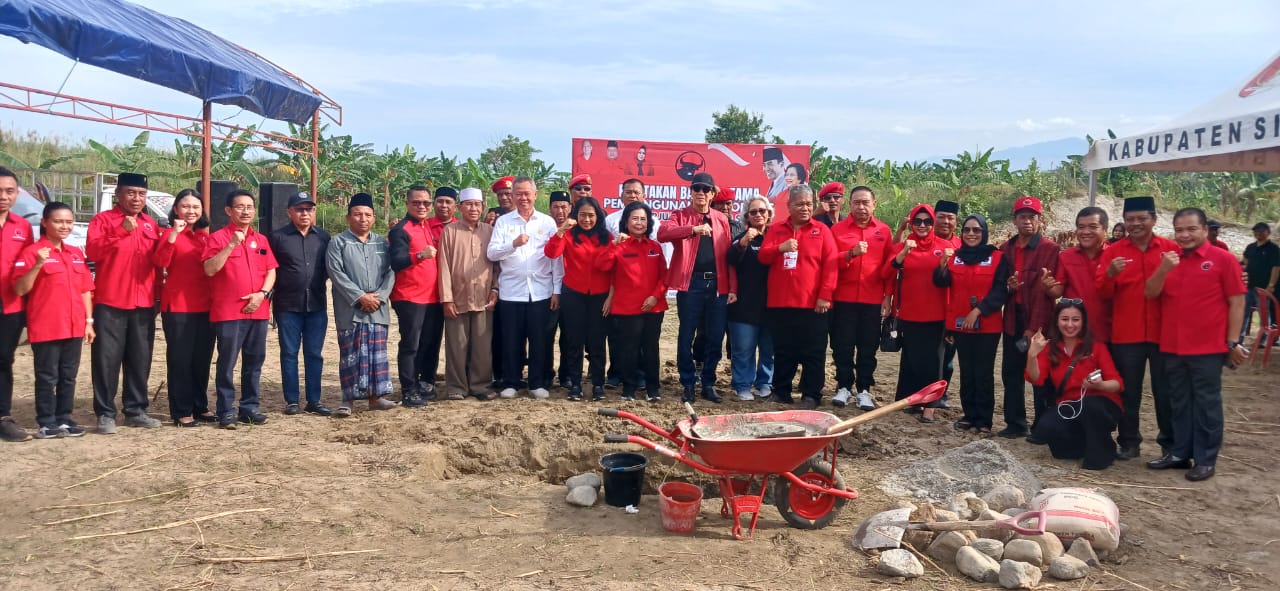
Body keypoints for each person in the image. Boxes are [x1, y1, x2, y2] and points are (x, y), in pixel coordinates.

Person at [1145, 208, 1249, 481]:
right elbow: (1150, 292)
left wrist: (1232, 342)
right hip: (1172, 346)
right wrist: (1163, 269)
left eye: (1191, 229)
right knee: (1178, 402)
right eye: (1179, 230)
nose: (1185, 235)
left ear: (1205, 230)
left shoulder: (1223, 259)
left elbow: (1237, 302)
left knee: (1206, 403)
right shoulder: (1169, 259)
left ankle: (1205, 459)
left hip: (1208, 348)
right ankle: (1180, 453)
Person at [1096, 196, 1179, 459]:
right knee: (1128, 392)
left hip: (1163, 334)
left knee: (1165, 392)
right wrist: (1110, 274)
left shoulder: (1170, 250)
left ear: (1154, 219)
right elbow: (1102, 293)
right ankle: (1129, 442)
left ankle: (1170, 444)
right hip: (1126, 335)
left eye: (1142, 218)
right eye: (1130, 219)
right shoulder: (1113, 252)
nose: (1135, 224)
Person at [87, 172, 163, 433]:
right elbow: (93, 252)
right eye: (131, 193)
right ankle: (105, 413)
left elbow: (157, 264)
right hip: (111, 301)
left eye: (141, 194)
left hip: (143, 303)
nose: (136, 198)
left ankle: (136, 410)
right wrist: (120, 231)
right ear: (118, 194)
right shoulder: (103, 220)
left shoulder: (150, 224)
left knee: (140, 359)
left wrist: (157, 297)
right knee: (106, 360)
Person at [12, 202, 94, 438]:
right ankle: (47, 421)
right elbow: (20, 288)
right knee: (47, 376)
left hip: (74, 326)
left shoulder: (75, 253)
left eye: (69, 222)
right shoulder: (32, 252)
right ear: (45, 222)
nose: (64, 226)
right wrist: (38, 264)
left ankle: (64, 418)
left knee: (68, 376)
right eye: (58, 221)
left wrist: (89, 322)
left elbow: (85, 289)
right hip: (47, 326)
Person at [658, 171, 737, 403]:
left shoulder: (721, 219)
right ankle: (688, 383)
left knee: (715, 335)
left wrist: (732, 287)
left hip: (717, 284)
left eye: (705, 189)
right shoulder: (681, 215)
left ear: (712, 194)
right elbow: (663, 234)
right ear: (690, 192)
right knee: (686, 334)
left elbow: (728, 256)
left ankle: (708, 382)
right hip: (691, 283)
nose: (700, 192)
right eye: (696, 188)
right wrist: (692, 229)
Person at [202, 189, 277, 429]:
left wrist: (262, 294)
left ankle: (249, 408)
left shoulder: (261, 240)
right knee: (227, 363)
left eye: (249, 207)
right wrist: (231, 245)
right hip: (229, 313)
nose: (245, 211)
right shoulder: (217, 238)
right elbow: (210, 269)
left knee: (254, 362)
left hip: (258, 310)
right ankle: (225, 410)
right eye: (240, 207)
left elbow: (271, 270)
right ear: (228, 210)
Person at [758, 186, 837, 409]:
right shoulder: (775, 229)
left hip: (813, 304)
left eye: (809, 204)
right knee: (783, 350)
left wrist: (825, 295)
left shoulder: (822, 230)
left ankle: (811, 395)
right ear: (789, 206)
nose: (805, 208)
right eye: (800, 204)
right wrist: (779, 248)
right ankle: (781, 391)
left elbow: (831, 265)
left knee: (814, 351)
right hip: (781, 303)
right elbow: (763, 257)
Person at [1025, 301, 1125, 471]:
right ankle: (1087, 443)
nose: (1070, 325)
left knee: (1090, 407)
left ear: (1083, 322)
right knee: (1045, 429)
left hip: (1101, 403)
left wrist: (1100, 385)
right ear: (1057, 321)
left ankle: (1100, 456)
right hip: (1069, 404)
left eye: (1075, 319)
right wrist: (1032, 355)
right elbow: (1036, 378)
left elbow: (1117, 384)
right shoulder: (1050, 348)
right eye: (1065, 319)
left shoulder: (1097, 347)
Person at [487, 177, 559, 399]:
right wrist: (513, 244)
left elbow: (556, 258)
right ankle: (512, 381)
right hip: (511, 291)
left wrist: (557, 290)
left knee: (539, 340)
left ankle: (537, 382)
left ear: (535, 195)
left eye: (527, 193)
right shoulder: (503, 222)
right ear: (512, 196)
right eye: (518, 193)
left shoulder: (547, 222)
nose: (523, 198)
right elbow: (492, 253)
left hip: (541, 290)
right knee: (512, 340)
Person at [934, 214, 1007, 433]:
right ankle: (969, 415)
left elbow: (1000, 291)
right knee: (966, 371)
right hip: (960, 325)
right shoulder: (955, 256)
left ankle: (984, 420)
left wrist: (978, 311)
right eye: (967, 230)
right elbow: (941, 282)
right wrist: (942, 263)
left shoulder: (998, 257)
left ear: (984, 233)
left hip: (988, 326)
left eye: (976, 230)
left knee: (983, 372)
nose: (971, 234)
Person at [327, 193, 397, 416]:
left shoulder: (382, 243)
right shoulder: (338, 242)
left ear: (374, 218)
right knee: (350, 354)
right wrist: (359, 297)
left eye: (367, 215)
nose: (363, 219)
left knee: (377, 354)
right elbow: (336, 273)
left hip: (378, 308)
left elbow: (391, 271)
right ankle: (347, 400)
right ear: (348, 217)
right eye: (357, 214)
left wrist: (380, 297)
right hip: (350, 308)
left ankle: (376, 398)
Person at [997, 196, 1059, 439]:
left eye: (1032, 217)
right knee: (1011, 373)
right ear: (1014, 220)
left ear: (1039, 220)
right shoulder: (1005, 249)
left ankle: (1042, 426)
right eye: (1022, 217)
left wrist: (1035, 328)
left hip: (1040, 320)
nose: (1027, 221)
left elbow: (1046, 294)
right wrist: (1009, 287)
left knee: (1040, 375)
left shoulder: (1049, 249)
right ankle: (1015, 422)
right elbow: (999, 286)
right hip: (1013, 319)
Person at [152, 190, 217, 426]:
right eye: (185, 206)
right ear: (176, 209)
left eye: (196, 207)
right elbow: (160, 262)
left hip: (206, 306)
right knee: (180, 360)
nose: (191, 211)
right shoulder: (168, 234)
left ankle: (200, 405)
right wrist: (173, 235)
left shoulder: (205, 237)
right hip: (179, 306)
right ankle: (181, 410)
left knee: (202, 359)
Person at [603, 178, 671, 390]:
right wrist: (614, 246)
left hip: (652, 303)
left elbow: (664, 273)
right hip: (625, 303)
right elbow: (605, 266)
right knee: (626, 345)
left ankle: (650, 386)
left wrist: (656, 296)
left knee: (649, 347)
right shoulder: (612, 228)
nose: (639, 223)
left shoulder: (655, 243)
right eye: (634, 219)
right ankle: (625, 383)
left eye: (643, 219)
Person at [268, 191, 332, 417]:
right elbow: (270, 269)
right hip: (287, 305)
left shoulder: (323, 237)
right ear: (289, 212)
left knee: (314, 353)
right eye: (300, 209)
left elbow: (328, 268)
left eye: (309, 209)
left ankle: (314, 400)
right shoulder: (277, 238)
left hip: (316, 305)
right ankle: (292, 400)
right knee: (289, 353)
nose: (305, 213)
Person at [829, 186, 892, 411]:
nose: (861, 207)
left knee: (868, 347)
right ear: (849, 205)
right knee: (842, 345)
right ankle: (844, 386)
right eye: (856, 202)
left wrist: (888, 297)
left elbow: (889, 267)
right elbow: (829, 262)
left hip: (872, 300)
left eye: (865, 202)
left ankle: (864, 389)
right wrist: (850, 254)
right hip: (843, 298)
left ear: (874, 204)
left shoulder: (883, 231)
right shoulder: (837, 230)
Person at [884, 204, 948, 422]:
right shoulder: (903, 246)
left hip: (936, 313)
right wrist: (903, 253)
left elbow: (953, 280)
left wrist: (945, 262)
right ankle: (911, 401)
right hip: (908, 312)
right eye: (917, 221)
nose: (922, 225)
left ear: (933, 223)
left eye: (927, 221)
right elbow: (886, 273)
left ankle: (930, 406)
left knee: (933, 361)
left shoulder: (944, 246)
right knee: (911, 359)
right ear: (911, 223)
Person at [546, 196, 612, 401]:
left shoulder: (607, 237)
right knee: (574, 341)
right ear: (575, 215)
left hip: (600, 296)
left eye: (591, 215)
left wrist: (611, 296)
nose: (587, 220)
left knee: (597, 341)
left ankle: (598, 384)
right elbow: (551, 253)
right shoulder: (569, 235)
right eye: (582, 215)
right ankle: (575, 384)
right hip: (574, 294)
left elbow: (611, 268)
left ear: (598, 216)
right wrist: (561, 230)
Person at [438, 188, 498, 401]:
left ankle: (480, 385)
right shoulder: (450, 231)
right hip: (457, 297)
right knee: (457, 345)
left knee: (483, 345)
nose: (473, 208)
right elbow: (444, 266)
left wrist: (495, 289)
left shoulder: (489, 231)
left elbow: (497, 265)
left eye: (477, 204)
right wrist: (447, 299)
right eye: (469, 204)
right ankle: (456, 386)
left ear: (483, 207)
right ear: (460, 207)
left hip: (484, 297)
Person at [388, 185, 446, 406]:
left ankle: (424, 384)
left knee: (429, 343)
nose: (422, 206)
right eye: (416, 202)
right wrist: (420, 255)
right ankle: (408, 390)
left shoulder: (427, 226)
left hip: (432, 297)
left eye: (426, 203)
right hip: (409, 297)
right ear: (407, 204)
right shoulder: (400, 230)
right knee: (411, 345)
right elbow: (396, 261)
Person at [726, 196, 775, 401]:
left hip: (772, 305)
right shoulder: (740, 238)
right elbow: (729, 258)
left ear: (769, 214)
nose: (758, 215)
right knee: (743, 350)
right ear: (746, 216)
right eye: (753, 212)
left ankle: (765, 383)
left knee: (768, 350)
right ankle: (743, 384)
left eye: (762, 211)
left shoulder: (776, 238)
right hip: (744, 306)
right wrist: (744, 242)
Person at [0, 167, 34, 442]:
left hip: (10, 305)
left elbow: (28, 268)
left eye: (9, 191)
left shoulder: (22, 227)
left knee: (4, 360)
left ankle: (3, 417)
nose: (3, 196)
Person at [1042, 207, 1112, 343]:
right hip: (1075, 333)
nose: (1085, 232)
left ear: (1105, 229)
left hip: (1108, 332)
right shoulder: (1066, 256)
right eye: (1081, 227)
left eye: (1092, 227)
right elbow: (1058, 291)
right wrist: (1047, 287)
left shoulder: (1115, 255)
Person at [932, 199, 962, 403]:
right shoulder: (925, 241)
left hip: (954, 309)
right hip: (929, 308)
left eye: (950, 218)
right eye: (941, 217)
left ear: (956, 222)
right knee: (929, 355)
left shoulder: (963, 244)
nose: (945, 221)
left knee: (949, 357)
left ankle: (942, 393)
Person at [543, 191, 571, 387]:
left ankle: (566, 375)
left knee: (569, 336)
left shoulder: (576, 229)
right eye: (556, 207)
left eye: (564, 207)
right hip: (547, 289)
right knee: (546, 334)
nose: (560, 211)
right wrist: (555, 290)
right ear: (550, 209)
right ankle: (546, 373)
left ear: (570, 208)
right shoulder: (544, 227)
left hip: (570, 290)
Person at [1242, 222, 1278, 338]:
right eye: (1256, 231)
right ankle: (1239, 339)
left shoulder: (1273, 248)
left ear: (1268, 232)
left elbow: (1276, 267)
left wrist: (1271, 285)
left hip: (1263, 287)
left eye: (1262, 231)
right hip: (1249, 285)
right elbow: (1245, 261)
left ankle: (1263, 339)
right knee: (1243, 312)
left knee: (1264, 314)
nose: (1259, 233)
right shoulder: (1251, 247)